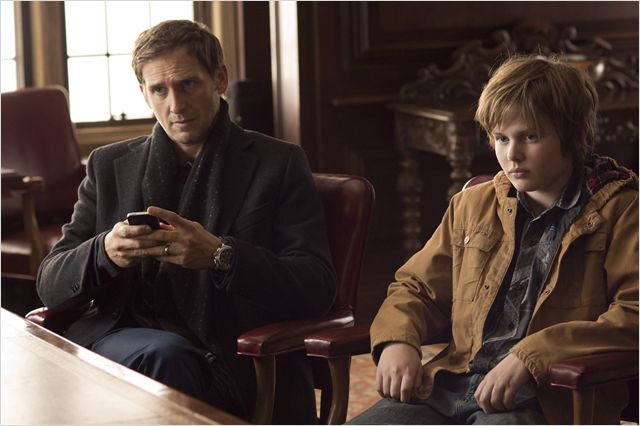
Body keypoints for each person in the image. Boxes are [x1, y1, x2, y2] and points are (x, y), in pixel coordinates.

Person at [36, 20, 336, 423]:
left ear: (219, 79)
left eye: (188, 84)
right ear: (144, 93)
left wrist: (221, 256)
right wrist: (104, 252)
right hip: (124, 341)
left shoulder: (278, 163)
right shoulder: (109, 166)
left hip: (235, 357)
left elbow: (316, 286)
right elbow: (50, 283)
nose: (175, 105)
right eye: (159, 90)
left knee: (168, 357)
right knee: (163, 356)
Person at [350, 55, 638, 424]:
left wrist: (531, 356)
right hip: (449, 384)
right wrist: (397, 340)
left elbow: (633, 314)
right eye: (501, 138)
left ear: (571, 134)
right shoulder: (472, 205)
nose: (512, 154)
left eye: (530, 137)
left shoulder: (622, 210)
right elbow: (416, 287)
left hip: (544, 400)